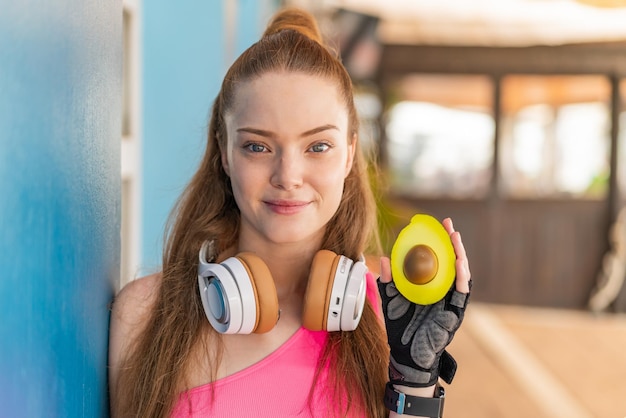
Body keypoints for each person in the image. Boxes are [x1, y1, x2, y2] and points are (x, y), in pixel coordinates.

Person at [108, 7, 471, 418]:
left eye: (317, 146)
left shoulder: (388, 319)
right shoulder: (144, 316)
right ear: (224, 153)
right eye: (257, 146)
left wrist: (415, 380)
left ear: (350, 153)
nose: (288, 176)